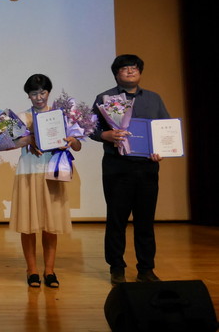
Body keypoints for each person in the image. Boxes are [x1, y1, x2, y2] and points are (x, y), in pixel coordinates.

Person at [90, 54, 170, 285]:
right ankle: (117, 268)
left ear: (140, 72)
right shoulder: (105, 98)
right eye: (124, 68)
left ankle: (146, 269)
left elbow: (166, 128)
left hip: (147, 168)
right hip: (117, 167)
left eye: (134, 67)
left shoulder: (154, 99)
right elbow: (90, 129)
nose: (130, 71)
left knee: (145, 221)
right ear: (116, 74)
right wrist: (106, 135)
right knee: (117, 220)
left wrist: (161, 149)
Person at [10, 74, 82, 288]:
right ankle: (31, 270)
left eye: (42, 92)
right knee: (28, 225)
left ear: (48, 92)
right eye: (34, 93)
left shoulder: (61, 116)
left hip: (52, 173)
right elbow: (11, 143)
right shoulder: (22, 118)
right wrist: (29, 138)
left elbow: (77, 146)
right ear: (28, 95)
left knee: (51, 225)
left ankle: (49, 270)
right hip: (28, 172)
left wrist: (71, 140)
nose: (39, 97)